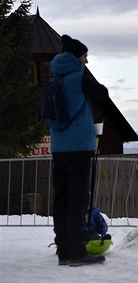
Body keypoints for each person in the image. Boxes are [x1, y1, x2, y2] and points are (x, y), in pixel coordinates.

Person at [49, 35, 109, 266]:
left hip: (59, 147)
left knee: (61, 199)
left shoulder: (55, 79)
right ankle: (75, 252)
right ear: (77, 57)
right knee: (77, 200)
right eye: (85, 56)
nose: (87, 60)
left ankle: (63, 249)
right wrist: (85, 73)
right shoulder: (79, 77)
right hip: (80, 148)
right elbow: (102, 94)